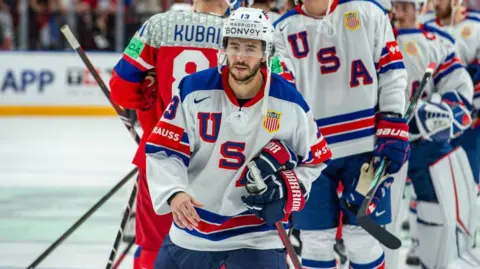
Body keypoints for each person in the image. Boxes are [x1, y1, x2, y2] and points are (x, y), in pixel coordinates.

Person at [145, 7, 332, 269]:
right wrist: (174, 192)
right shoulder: (193, 90)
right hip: (193, 229)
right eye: (234, 46)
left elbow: (315, 160)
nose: (240, 56)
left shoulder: (289, 102)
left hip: (258, 235)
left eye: (250, 48)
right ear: (223, 49)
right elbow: (164, 149)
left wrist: (289, 188)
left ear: (266, 53)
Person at [272, 0, 410, 268]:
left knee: (362, 236)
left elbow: (392, 71)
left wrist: (392, 118)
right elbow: (280, 94)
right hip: (312, 155)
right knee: (314, 240)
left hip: (365, 147)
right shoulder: (281, 30)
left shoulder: (368, 12)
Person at [108, 0, 228, 268]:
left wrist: (149, 100)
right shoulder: (243, 32)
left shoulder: (157, 26)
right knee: (221, 247)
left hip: (161, 155)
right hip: (223, 160)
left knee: (155, 246)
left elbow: (121, 89)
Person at [391, 0, 476, 268]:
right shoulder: (370, 34)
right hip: (380, 141)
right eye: (394, 5)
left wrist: (441, 114)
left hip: (422, 141)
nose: (397, 12)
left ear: (419, 7)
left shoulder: (438, 41)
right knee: (378, 228)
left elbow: (460, 94)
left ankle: (438, 258)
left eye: (404, 6)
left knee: (441, 207)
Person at [424, 0, 479, 187]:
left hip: (470, 121)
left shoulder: (476, 25)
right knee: (436, 187)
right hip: (432, 121)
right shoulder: (424, 28)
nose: (435, 3)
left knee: (469, 183)